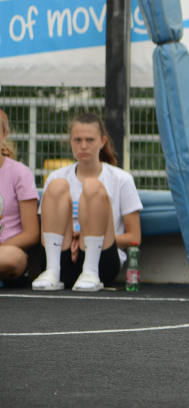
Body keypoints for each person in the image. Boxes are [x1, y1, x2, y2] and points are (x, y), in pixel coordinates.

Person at [32, 113, 142, 292]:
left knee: (92, 187)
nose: (83, 145)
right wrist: (73, 236)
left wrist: (83, 237)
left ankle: (90, 271)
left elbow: (134, 237)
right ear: (70, 141)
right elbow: (45, 229)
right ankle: (52, 272)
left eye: (90, 140)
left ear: (102, 141)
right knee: (57, 185)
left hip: (102, 264)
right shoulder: (56, 176)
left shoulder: (121, 179)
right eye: (77, 140)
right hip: (62, 258)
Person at [0, 109, 40, 288]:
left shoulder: (19, 173)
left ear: (5, 134)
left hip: (7, 252)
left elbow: (31, 233)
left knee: (11, 257)